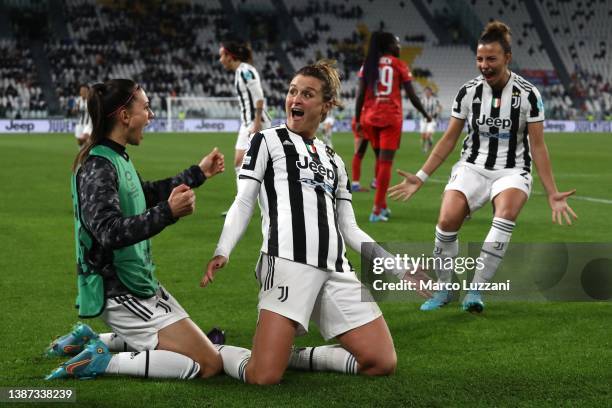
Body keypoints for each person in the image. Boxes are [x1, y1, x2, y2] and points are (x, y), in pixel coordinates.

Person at [201, 61, 401, 385]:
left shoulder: (335, 161)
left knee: (381, 361)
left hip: (336, 270)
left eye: (307, 94)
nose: (296, 99)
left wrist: (398, 267)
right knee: (262, 376)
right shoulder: (266, 141)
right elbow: (243, 200)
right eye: (293, 91)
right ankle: (212, 349)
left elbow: (349, 228)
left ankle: (291, 355)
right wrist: (222, 249)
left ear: (326, 106)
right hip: (287, 264)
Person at [389, 21, 577, 313]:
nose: (484, 65)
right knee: (447, 222)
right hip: (472, 167)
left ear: (507, 58)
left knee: (505, 216)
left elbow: (538, 146)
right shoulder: (468, 93)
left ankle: (475, 290)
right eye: (480, 59)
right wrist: (421, 176)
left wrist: (552, 192)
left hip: (513, 170)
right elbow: (449, 139)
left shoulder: (528, 95)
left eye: (491, 59)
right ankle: (444, 289)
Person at [46, 79, 226, 380]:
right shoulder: (97, 166)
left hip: (138, 284)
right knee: (208, 364)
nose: (152, 115)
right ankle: (102, 361)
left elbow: (145, 193)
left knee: (205, 350)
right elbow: (109, 232)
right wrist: (168, 212)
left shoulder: (117, 158)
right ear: (124, 116)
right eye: (146, 107)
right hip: (120, 292)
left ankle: (93, 339)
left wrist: (198, 173)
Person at [354, 31, 432, 222]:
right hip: (390, 118)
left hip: (369, 118)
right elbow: (412, 96)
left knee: (379, 161)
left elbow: (360, 95)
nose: (399, 47)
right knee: (385, 164)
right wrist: (425, 113)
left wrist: (357, 120)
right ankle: (377, 210)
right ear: (389, 46)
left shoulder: (368, 65)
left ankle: (383, 206)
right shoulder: (399, 65)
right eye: (397, 44)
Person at [218, 41, 271, 186]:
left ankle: (251, 203)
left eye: (222, 55)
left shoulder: (246, 71)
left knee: (254, 164)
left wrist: (257, 123)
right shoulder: (240, 72)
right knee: (239, 163)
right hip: (248, 122)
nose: (220, 59)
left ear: (230, 56)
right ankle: (243, 203)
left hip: (256, 122)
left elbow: (259, 96)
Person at [419, 86, 442, 153]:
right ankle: (429, 143)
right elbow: (419, 108)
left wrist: (435, 114)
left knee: (428, 135)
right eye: (426, 91)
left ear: (431, 92)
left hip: (432, 120)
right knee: (423, 136)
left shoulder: (435, 100)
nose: (427, 93)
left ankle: (426, 148)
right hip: (423, 120)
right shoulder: (422, 100)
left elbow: (440, 107)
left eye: (428, 91)